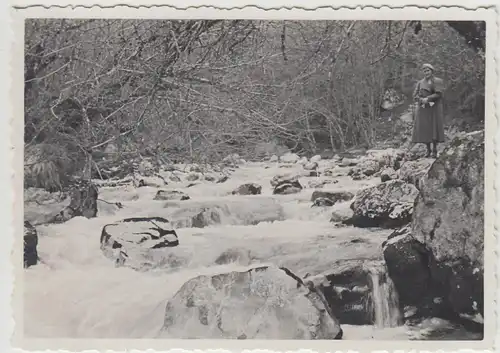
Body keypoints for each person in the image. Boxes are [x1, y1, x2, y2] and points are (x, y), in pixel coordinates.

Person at [411, 63, 445, 158]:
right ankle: (428, 150)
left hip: (434, 108)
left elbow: (439, 94)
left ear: (432, 71)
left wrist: (428, 99)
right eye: (424, 71)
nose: (426, 73)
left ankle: (434, 150)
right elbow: (415, 95)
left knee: (434, 128)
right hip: (423, 108)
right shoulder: (420, 83)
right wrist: (420, 99)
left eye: (428, 70)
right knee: (425, 129)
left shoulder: (437, 81)